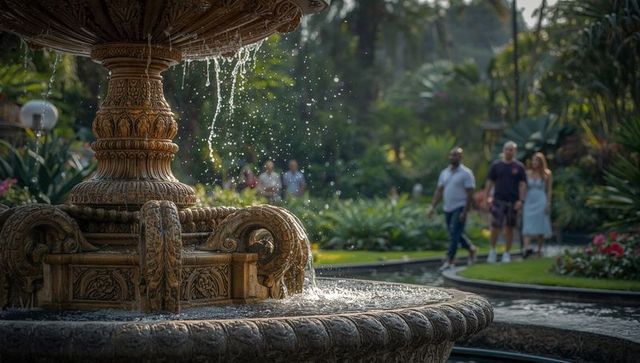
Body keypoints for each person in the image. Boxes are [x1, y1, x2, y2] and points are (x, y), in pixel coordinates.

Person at [427, 147, 477, 271]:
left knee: (454, 233)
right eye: (451, 155)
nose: (453, 157)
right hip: (447, 208)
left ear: (461, 157)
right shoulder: (445, 173)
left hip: (460, 207)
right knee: (454, 233)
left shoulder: (466, 173)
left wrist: (465, 211)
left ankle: (449, 260)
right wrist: (432, 206)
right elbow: (439, 191)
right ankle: (471, 248)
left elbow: (470, 194)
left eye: (456, 155)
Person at [484, 141, 527, 263]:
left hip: (512, 202)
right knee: (494, 227)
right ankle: (492, 251)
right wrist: (486, 198)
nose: (509, 151)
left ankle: (506, 253)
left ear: (515, 151)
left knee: (509, 228)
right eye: (507, 149)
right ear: (503, 150)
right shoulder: (496, 165)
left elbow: (523, 185)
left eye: (511, 150)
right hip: (498, 200)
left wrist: (521, 200)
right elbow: (489, 182)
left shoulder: (519, 167)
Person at [522, 152, 553, 258]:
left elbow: (549, 190)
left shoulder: (547, 174)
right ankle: (526, 249)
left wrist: (548, 203)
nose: (535, 162)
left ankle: (539, 251)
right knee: (527, 224)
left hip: (541, 200)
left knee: (541, 225)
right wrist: (521, 200)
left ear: (541, 162)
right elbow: (524, 188)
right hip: (529, 200)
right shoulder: (527, 173)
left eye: (537, 160)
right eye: (534, 160)